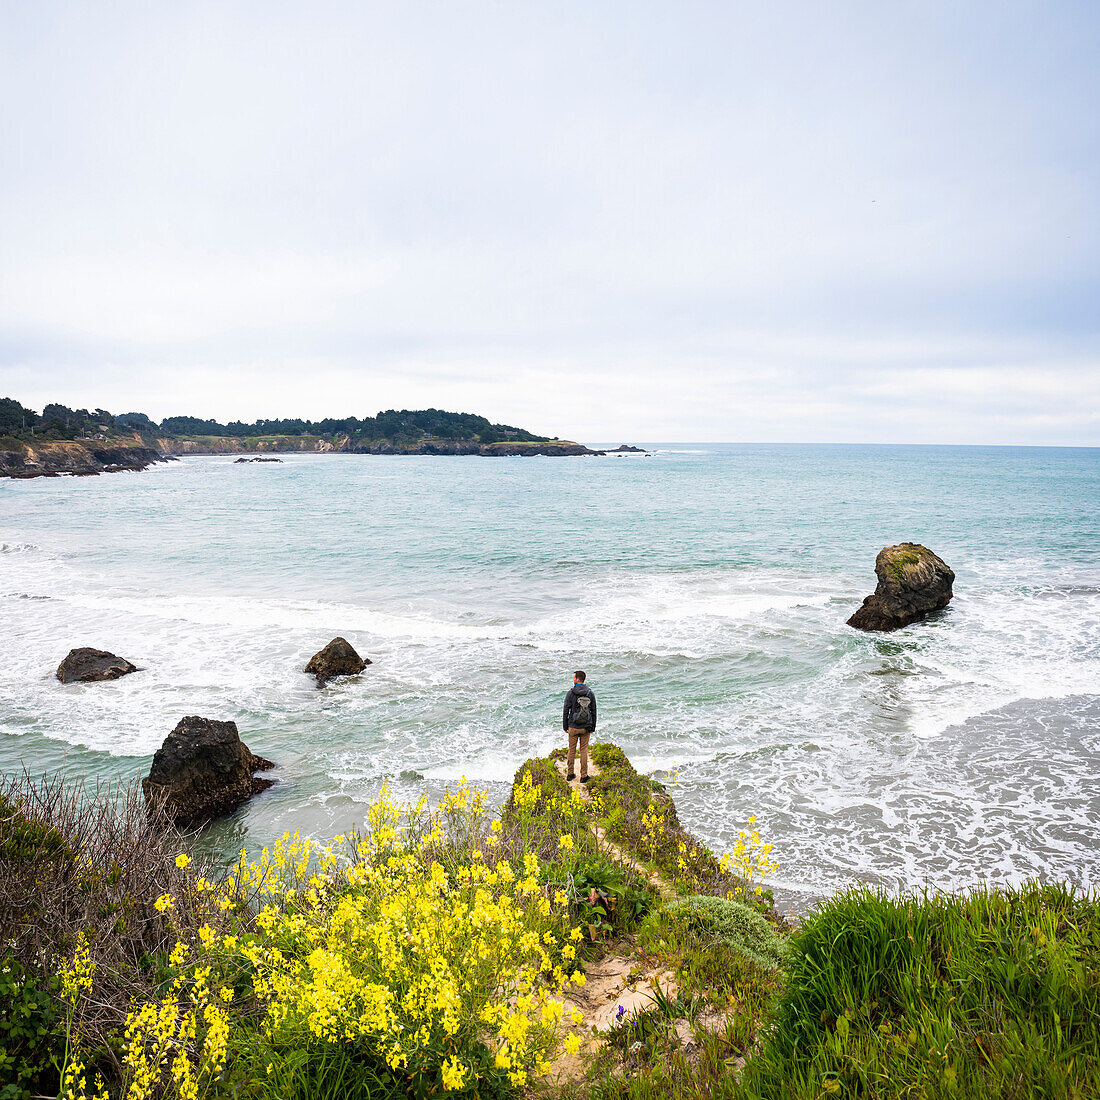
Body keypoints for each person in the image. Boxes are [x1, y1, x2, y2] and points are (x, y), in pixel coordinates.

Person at [562, 670, 597, 783]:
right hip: (586, 727)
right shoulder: (589, 693)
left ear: (578, 679)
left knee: (572, 750)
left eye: (574, 677)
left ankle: (570, 774)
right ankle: (584, 776)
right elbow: (594, 710)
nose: (573, 679)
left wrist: (565, 726)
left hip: (573, 726)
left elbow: (566, 710)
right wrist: (593, 727)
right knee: (584, 751)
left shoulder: (570, 693)